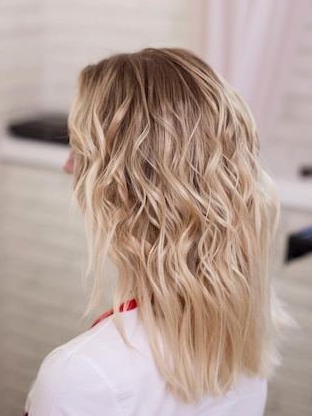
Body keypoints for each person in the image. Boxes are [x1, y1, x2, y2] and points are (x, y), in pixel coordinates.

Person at [24, 48, 282, 416]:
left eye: (78, 148)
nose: (68, 166)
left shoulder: (81, 377)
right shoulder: (245, 330)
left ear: (123, 187)